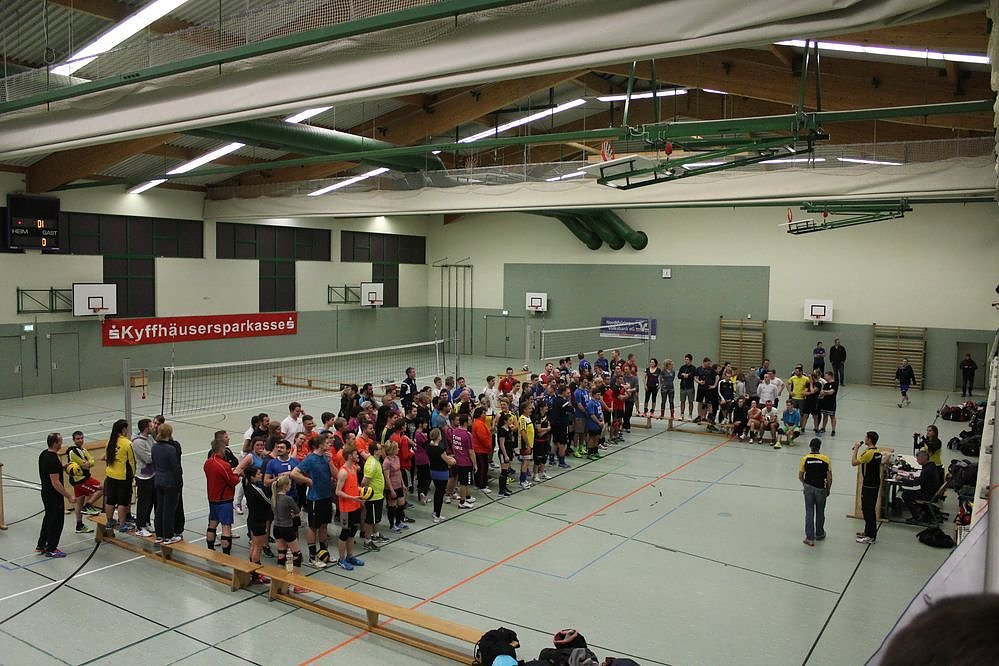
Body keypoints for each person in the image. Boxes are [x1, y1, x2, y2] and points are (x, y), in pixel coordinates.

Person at [290, 434, 334, 568]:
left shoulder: (326, 457)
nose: (329, 444)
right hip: (315, 498)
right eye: (326, 443)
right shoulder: (310, 459)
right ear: (319, 445)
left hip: (326, 496)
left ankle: (324, 553)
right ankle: (312, 557)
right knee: (313, 527)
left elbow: (334, 475)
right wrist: (307, 480)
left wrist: (330, 462)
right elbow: (294, 473)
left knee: (324, 525)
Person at [36, 433, 76, 557]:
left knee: (48, 518)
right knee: (56, 521)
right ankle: (51, 549)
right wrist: (69, 496)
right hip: (53, 495)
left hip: (45, 492)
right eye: (60, 441)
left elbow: (49, 471)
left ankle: (41, 544)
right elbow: (55, 482)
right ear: (55, 443)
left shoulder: (44, 454)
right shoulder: (53, 460)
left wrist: (62, 467)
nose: (62, 443)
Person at [204, 435, 240, 553]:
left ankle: (210, 549)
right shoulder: (224, 465)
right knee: (226, 527)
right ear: (221, 450)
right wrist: (237, 475)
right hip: (224, 500)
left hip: (212, 498)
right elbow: (232, 481)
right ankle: (226, 554)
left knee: (212, 524)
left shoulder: (208, 463)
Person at [333, 442, 366, 571]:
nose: (358, 456)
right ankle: (341, 560)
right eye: (355, 454)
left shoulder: (353, 468)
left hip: (355, 506)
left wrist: (361, 492)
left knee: (352, 532)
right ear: (350, 456)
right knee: (344, 533)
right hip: (346, 508)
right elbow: (338, 491)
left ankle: (350, 556)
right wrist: (353, 498)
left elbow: (353, 486)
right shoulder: (343, 472)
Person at [270, 475, 305, 588]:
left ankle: (279, 581)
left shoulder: (273, 497)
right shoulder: (288, 499)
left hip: (276, 527)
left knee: (281, 554)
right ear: (285, 486)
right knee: (297, 555)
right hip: (287, 528)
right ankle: (296, 583)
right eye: (289, 484)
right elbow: (298, 512)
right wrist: (293, 515)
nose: (290, 486)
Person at [65, 431, 103, 534]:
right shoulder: (73, 452)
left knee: (79, 502)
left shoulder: (83, 450)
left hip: (79, 480)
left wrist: (89, 462)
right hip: (81, 479)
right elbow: (85, 465)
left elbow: (91, 462)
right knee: (103, 488)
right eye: (78, 439)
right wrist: (89, 463)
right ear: (73, 440)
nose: (80, 440)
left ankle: (79, 525)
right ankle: (88, 505)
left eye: (82, 438)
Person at [151, 423, 183, 545]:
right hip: (170, 482)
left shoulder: (154, 447)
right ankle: (168, 536)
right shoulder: (171, 449)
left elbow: (154, 463)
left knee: (159, 508)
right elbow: (176, 468)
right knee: (168, 510)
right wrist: (179, 482)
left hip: (158, 480)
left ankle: (159, 535)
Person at [852, 431, 885, 544]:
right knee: (867, 508)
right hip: (875, 483)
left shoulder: (868, 453)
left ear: (870, 439)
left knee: (868, 509)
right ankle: (867, 531)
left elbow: (854, 462)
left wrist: (856, 449)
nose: (865, 439)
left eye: (866, 437)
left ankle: (871, 536)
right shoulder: (877, 452)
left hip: (868, 485)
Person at [241, 465, 272, 584]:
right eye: (258, 474)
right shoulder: (257, 490)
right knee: (258, 547)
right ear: (252, 477)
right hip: (259, 521)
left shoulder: (246, 485)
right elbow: (268, 502)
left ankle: (251, 570)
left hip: (252, 519)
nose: (261, 475)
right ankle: (256, 575)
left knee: (254, 545)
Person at [103, 419, 135, 534]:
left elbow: (107, 458)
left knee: (110, 499)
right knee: (123, 501)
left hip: (110, 475)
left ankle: (109, 521)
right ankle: (122, 524)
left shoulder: (109, 441)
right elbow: (132, 461)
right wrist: (133, 475)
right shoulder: (127, 443)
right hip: (123, 476)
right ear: (123, 429)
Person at [798, 437, 831, 547]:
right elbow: (830, 477)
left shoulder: (805, 458)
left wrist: (805, 484)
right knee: (820, 511)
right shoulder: (826, 459)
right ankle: (820, 533)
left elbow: (800, 475)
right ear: (819, 447)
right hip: (821, 488)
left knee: (809, 511)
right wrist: (828, 489)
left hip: (808, 487)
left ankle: (810, 538)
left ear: (810, 446)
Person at [901, 449, 941, 524]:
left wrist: (902, 479)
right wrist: (916, 478)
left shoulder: (927, 469)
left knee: (905, 495)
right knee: (909, 493)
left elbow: (915, 483)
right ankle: (922, 512)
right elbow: (923, 479)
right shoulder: (931, 466)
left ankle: (916, 517)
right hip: (931, 492)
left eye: (918, 459)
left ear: (924, 458)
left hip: (928, 495)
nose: (917, 461)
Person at [131, 418, 156, 538]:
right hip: (143, 476)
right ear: (146, 428)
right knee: (143, 501)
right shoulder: (138, 442)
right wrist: (156, 455)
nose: (153, 428)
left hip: (152, 474)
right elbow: (148, 459)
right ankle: (139, 526)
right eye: (151, 426)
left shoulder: (150, 438)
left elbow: (156, 449)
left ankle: (146, 522)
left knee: (150, 500)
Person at [361, 440, 388, 549]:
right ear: (375, 451)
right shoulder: (371, 464)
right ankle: (367, 541)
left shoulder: (376, 461)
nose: (382, 450)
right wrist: (365, 497)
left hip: (378, 495)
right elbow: (364, 482)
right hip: (372, 497)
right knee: (370, 520)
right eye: (380, 449)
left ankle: (375, 534)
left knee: (376, 518)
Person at [677, 354, 697, 421]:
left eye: (687, 359)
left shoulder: (693, 368)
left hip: (690, 388)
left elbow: (692, 376)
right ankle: (682, 414)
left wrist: (687, 375)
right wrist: (685, 375)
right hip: (682, 387)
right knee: (682, 401)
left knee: (690, 402)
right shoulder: (682, 367)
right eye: (685, 359)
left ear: (690, 360)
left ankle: (690, 415)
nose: (686, 360)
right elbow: (679, 376)